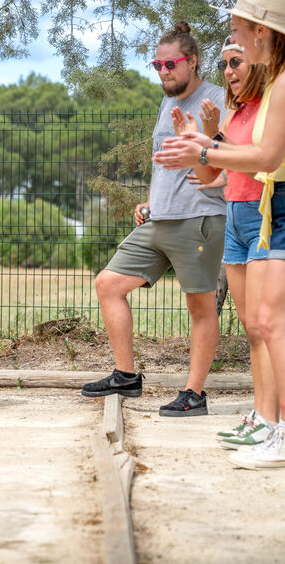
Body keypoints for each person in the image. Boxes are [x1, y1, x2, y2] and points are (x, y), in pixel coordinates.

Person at [155, 0, 285, 469]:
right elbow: (239, 159)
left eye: (239, 30)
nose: (234, 40)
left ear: (262, 31)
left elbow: (266, 156)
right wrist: (206, 145)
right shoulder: (284, 76)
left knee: (274, 324)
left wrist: (202, 149)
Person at [81, 22, 227, 416]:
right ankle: (126, 376)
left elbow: (233, 160)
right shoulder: (168, 102)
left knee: (200, 308)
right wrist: (149, 202)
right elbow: (162, 163)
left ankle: (193, 394)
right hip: (158, 219)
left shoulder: (217, 100)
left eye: (170, 64)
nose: (163, 72)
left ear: (192, 61)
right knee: (108, 284)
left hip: (199, 219)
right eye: (157, 65)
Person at [174, 39, 279, 451]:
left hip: (264, 216)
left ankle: (276, 419)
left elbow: (262, 158)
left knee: (267, 326)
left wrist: (211, 136)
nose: (228, 71)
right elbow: (210, 174)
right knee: (253, 330)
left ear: (259, 64)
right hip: (234, 216)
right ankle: (260, 415)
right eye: (224, 64)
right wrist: (194, 142)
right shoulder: (235, 111)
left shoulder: (272, 106)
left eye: (236, 62)